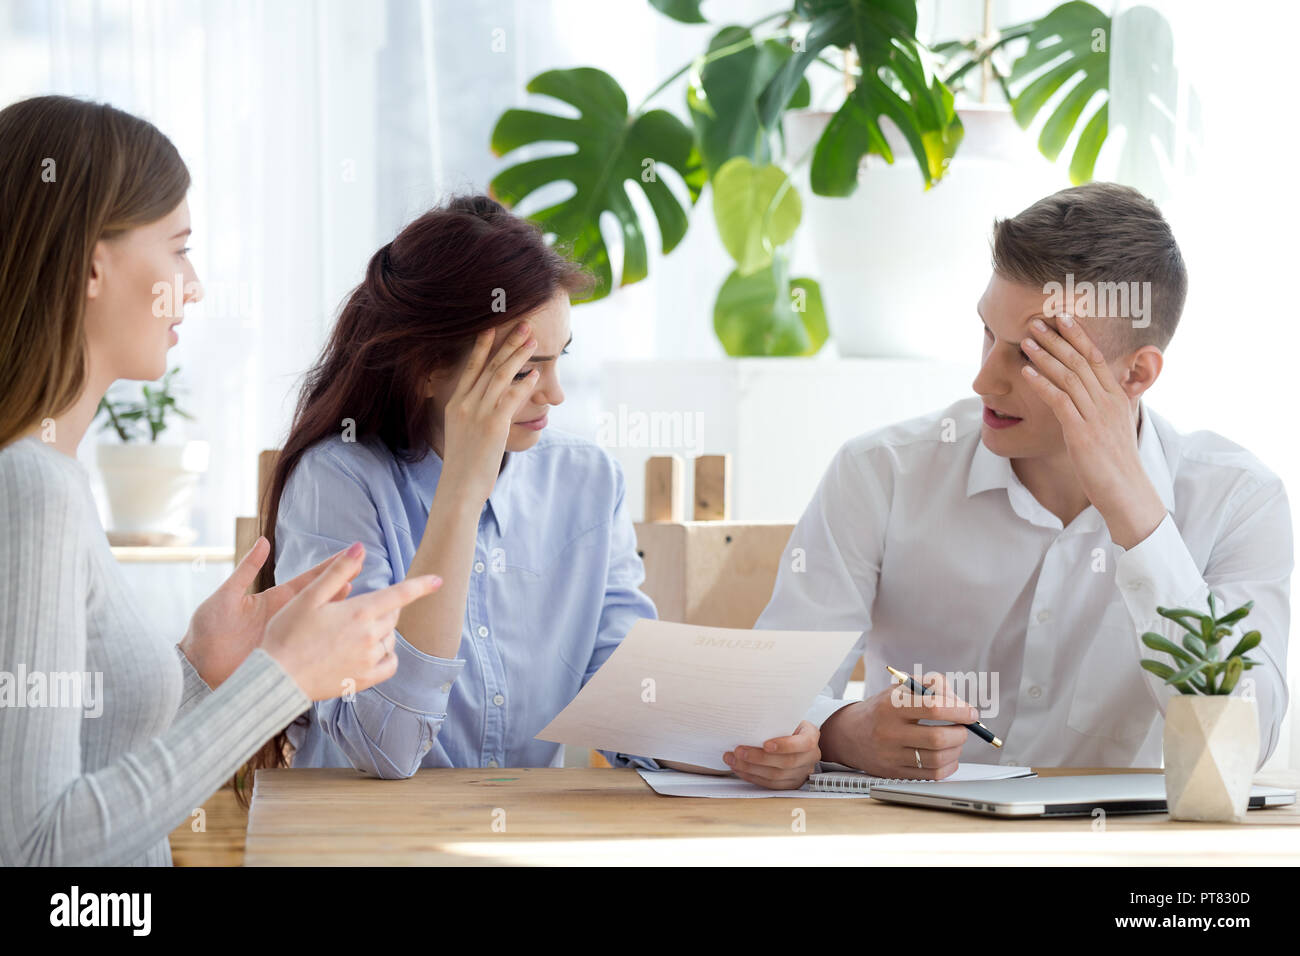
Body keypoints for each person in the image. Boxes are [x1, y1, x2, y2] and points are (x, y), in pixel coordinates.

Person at [0, 95, 442, 865]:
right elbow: (38, 849)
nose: (195, 285)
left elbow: (92, 766)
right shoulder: (29, 488)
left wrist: (202, 669)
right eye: (178, 248)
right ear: (90, 264)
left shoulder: (52, 478)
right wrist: (281, 679)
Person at [250, 195, 820, 790]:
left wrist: (754, 743)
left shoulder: (587, 482)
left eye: (558, 360)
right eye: (523, 371)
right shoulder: (337, 483)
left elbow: (627, 694)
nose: (555, 394)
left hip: (518, 839)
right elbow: (387, 746)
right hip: (359, 843)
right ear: (425, 369)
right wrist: (461, 496)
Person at [754, 182, 1291, 781]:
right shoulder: (883, 471)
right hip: (912, 841)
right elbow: (764, 702)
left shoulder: (1237, 500)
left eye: (1034, 355)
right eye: (988, 333)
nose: (985, 380)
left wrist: (1138, 518)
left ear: (1136, 373)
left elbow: (1241, 742)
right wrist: (843, 732)